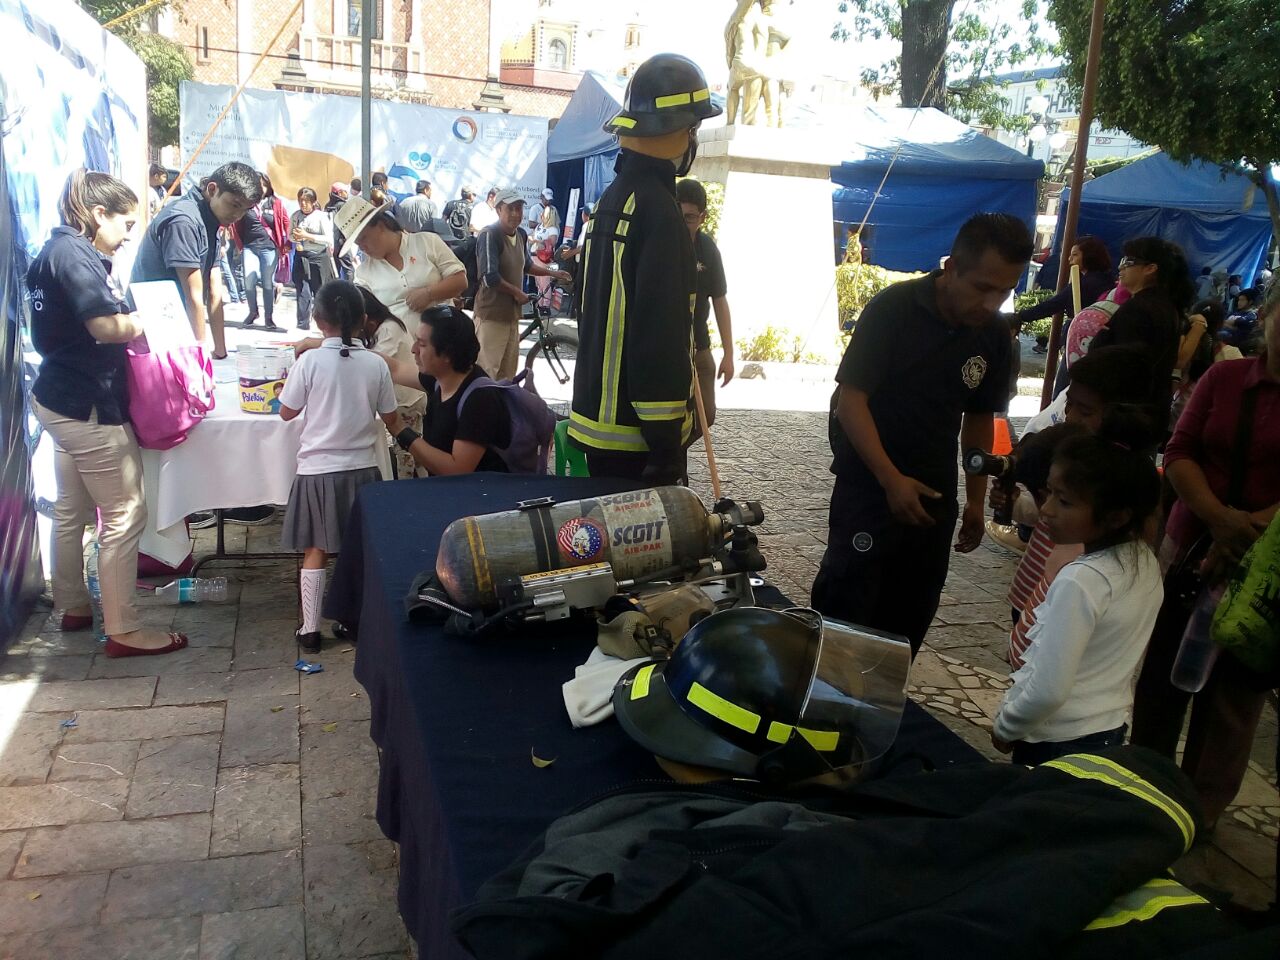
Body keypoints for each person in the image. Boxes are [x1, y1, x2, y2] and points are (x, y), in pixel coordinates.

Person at [811, 213, 1026, 655]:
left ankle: (879, 712)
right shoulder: (894, 309)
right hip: (869, 490)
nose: (992, 302)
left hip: (933, 494)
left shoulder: (994, 335)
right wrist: (890, 480)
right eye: (983, 287)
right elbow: (852, 402)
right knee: (846, 608)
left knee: (909, 618)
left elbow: (980, 419)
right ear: (952, 268)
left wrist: (976, 500)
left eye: (1004, 291)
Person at [1131, 289, 1280, 826]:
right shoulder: (1223, 379)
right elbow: (1179, 450)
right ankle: (1141, 786)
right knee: (1163, 675)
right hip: (1189, 548)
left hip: (1268, 574)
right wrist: (1219, 518)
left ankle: (1198, 813)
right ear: (1267, 316)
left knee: (1235, 698)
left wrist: (1243, 531)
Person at [28, 170, 188, 657]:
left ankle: (74, 604)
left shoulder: (55, 252)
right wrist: (150, 318)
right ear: (98, 214)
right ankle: (124, 629)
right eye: (125, 223)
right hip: (85, 403)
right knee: (123, 512)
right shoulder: (73, 255)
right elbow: (103, 326)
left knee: (73, 509)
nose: (127, 235)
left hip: (61, 397)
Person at [568, 53, 721, 482]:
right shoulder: (660, 212)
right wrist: (665, 441)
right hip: (639, 439)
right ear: (681, 132)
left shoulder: (612, 200)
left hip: (602, 423)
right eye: (694, 128)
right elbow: (660, 332)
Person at [991, 409, 1163, 766]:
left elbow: (1048, 690)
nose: (1048, 510)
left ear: (1116, 516)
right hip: (1107, 729)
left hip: (1056, 739)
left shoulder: (1080, 580)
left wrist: (1006, 726)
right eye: (1049, 493)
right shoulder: (1145, 564)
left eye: (1065, 501)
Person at [278, 280, 398, 654]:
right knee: (358, 552)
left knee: (316, 549)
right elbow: (391, 418)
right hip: (363, 470)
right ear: (364, 320)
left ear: (317, 320)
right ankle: (356, 621)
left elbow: (286, 412)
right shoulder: (375, 364)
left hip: (317, 471)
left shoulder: (310, 362)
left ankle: (310, 629)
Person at [131, 161, 262, 359]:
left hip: (176, 325)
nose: (237, 215)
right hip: (152, 331)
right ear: (212, 189)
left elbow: (215, 291)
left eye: (245, 209)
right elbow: (194, 296)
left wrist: (220, 351)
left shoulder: (212, 217)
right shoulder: (184, 220)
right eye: (234, 205)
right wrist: (200, 359)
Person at [380, 305, 513, 475]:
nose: (413, 349)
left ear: (447, 355)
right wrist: (352, 349)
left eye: (422, 344)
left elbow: (457, 469)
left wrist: (398, 427)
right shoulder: (441, 378)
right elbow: (395, 369)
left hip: (482, 495)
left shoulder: (480, 399)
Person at [1088, 236, 1191, 431]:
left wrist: (1101, 341)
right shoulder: (1167, 307)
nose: (1121, 267)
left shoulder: (1139, 309)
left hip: (1124, 417)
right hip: (1150, 413)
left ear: (1150, 269)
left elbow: (1124, 367)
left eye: (1128, 262)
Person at [475, 188, 571, 381]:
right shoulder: (489, 235)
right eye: (510, 209)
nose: (516, 214)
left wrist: (552, 272)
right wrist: (517, 293)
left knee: (507, 373)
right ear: (498, 210)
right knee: (487, 371)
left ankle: (502, 410)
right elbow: (489, 277)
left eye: (519, 209)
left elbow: (527, 265)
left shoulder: (520, 234)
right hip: (491, 314)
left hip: (511, 315)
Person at [336, 195, 467, 333]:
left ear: (380, 226)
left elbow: (460, 280)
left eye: (364, 239)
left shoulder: (427, 242)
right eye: (358, 244)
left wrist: (429, 293)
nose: (363, 248)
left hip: (445, 339)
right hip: (398, 349)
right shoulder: (363, 274)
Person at [676, 178, 734, 429]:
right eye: (678, 215)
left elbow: (720, 302)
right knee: (671, 421)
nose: (682, 224)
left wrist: (729, 354)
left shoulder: (708, 249)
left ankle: (676, 460)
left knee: (705, 416)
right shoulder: (661, 245)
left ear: (703, 217)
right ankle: (672, 466)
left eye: (689, 218)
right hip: (669, 351)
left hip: (700, 346)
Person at [359, 287, 425, 478]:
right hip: (405, 397)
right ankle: (420, 481)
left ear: (367, 319)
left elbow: (376, 362)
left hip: (408, 400)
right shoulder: (385, 325)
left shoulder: (389, 328)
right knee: (413, 450)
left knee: (407, 449)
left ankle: (407, 488)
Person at [1014, 235, 1115, 331]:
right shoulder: (1106, 277)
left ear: (1089, 256)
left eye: (1075, 255)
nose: (1069, 259)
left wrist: (1019, 317)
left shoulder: (1087, 283)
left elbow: (1054, 304)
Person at [237, 173, 289, 329]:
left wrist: (287, 242)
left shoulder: (276, 203)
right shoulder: (246, 202)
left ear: (268, 186)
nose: (261, 188)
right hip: (249, 247)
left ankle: (269, 317)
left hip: (269, 248)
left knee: (267, 283)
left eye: (263, 185)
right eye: (257, 185)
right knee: (249, 280)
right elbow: (235, 221)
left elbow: (286, 223)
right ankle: (253, 311)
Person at [291, 187, 336, 331]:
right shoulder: (296, 216)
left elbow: (328, 239)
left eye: (306, 201)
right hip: (301, 256)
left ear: (314, 202)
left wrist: (307, 236)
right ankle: (302, 323)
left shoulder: (321, 217)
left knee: (320, 291)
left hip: (318, 257)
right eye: (301, 201)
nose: (303, 204)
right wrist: (295, 237)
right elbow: (290, 235)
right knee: (302, 290)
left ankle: (324, 323)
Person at [325, 181, 355, 281]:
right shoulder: (343, 205)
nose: (347, 193)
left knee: (334, 269)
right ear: (340, 193)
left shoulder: (328, 206)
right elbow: (348, 224)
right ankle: (349, 291)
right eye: (345, 191)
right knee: (348, 268)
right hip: (342, 241)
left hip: (331, 242)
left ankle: (334, 291)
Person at [1221, 287, 1261, 353]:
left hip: (1234, 343)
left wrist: (1230, 324)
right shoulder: (1235, 312)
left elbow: (1242, 324)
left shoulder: (1251, 315)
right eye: (1239, 300)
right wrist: (1233, 325)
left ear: (1250, 302)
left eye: (1242, 300)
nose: (1239, 302)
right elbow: (1222, 322)